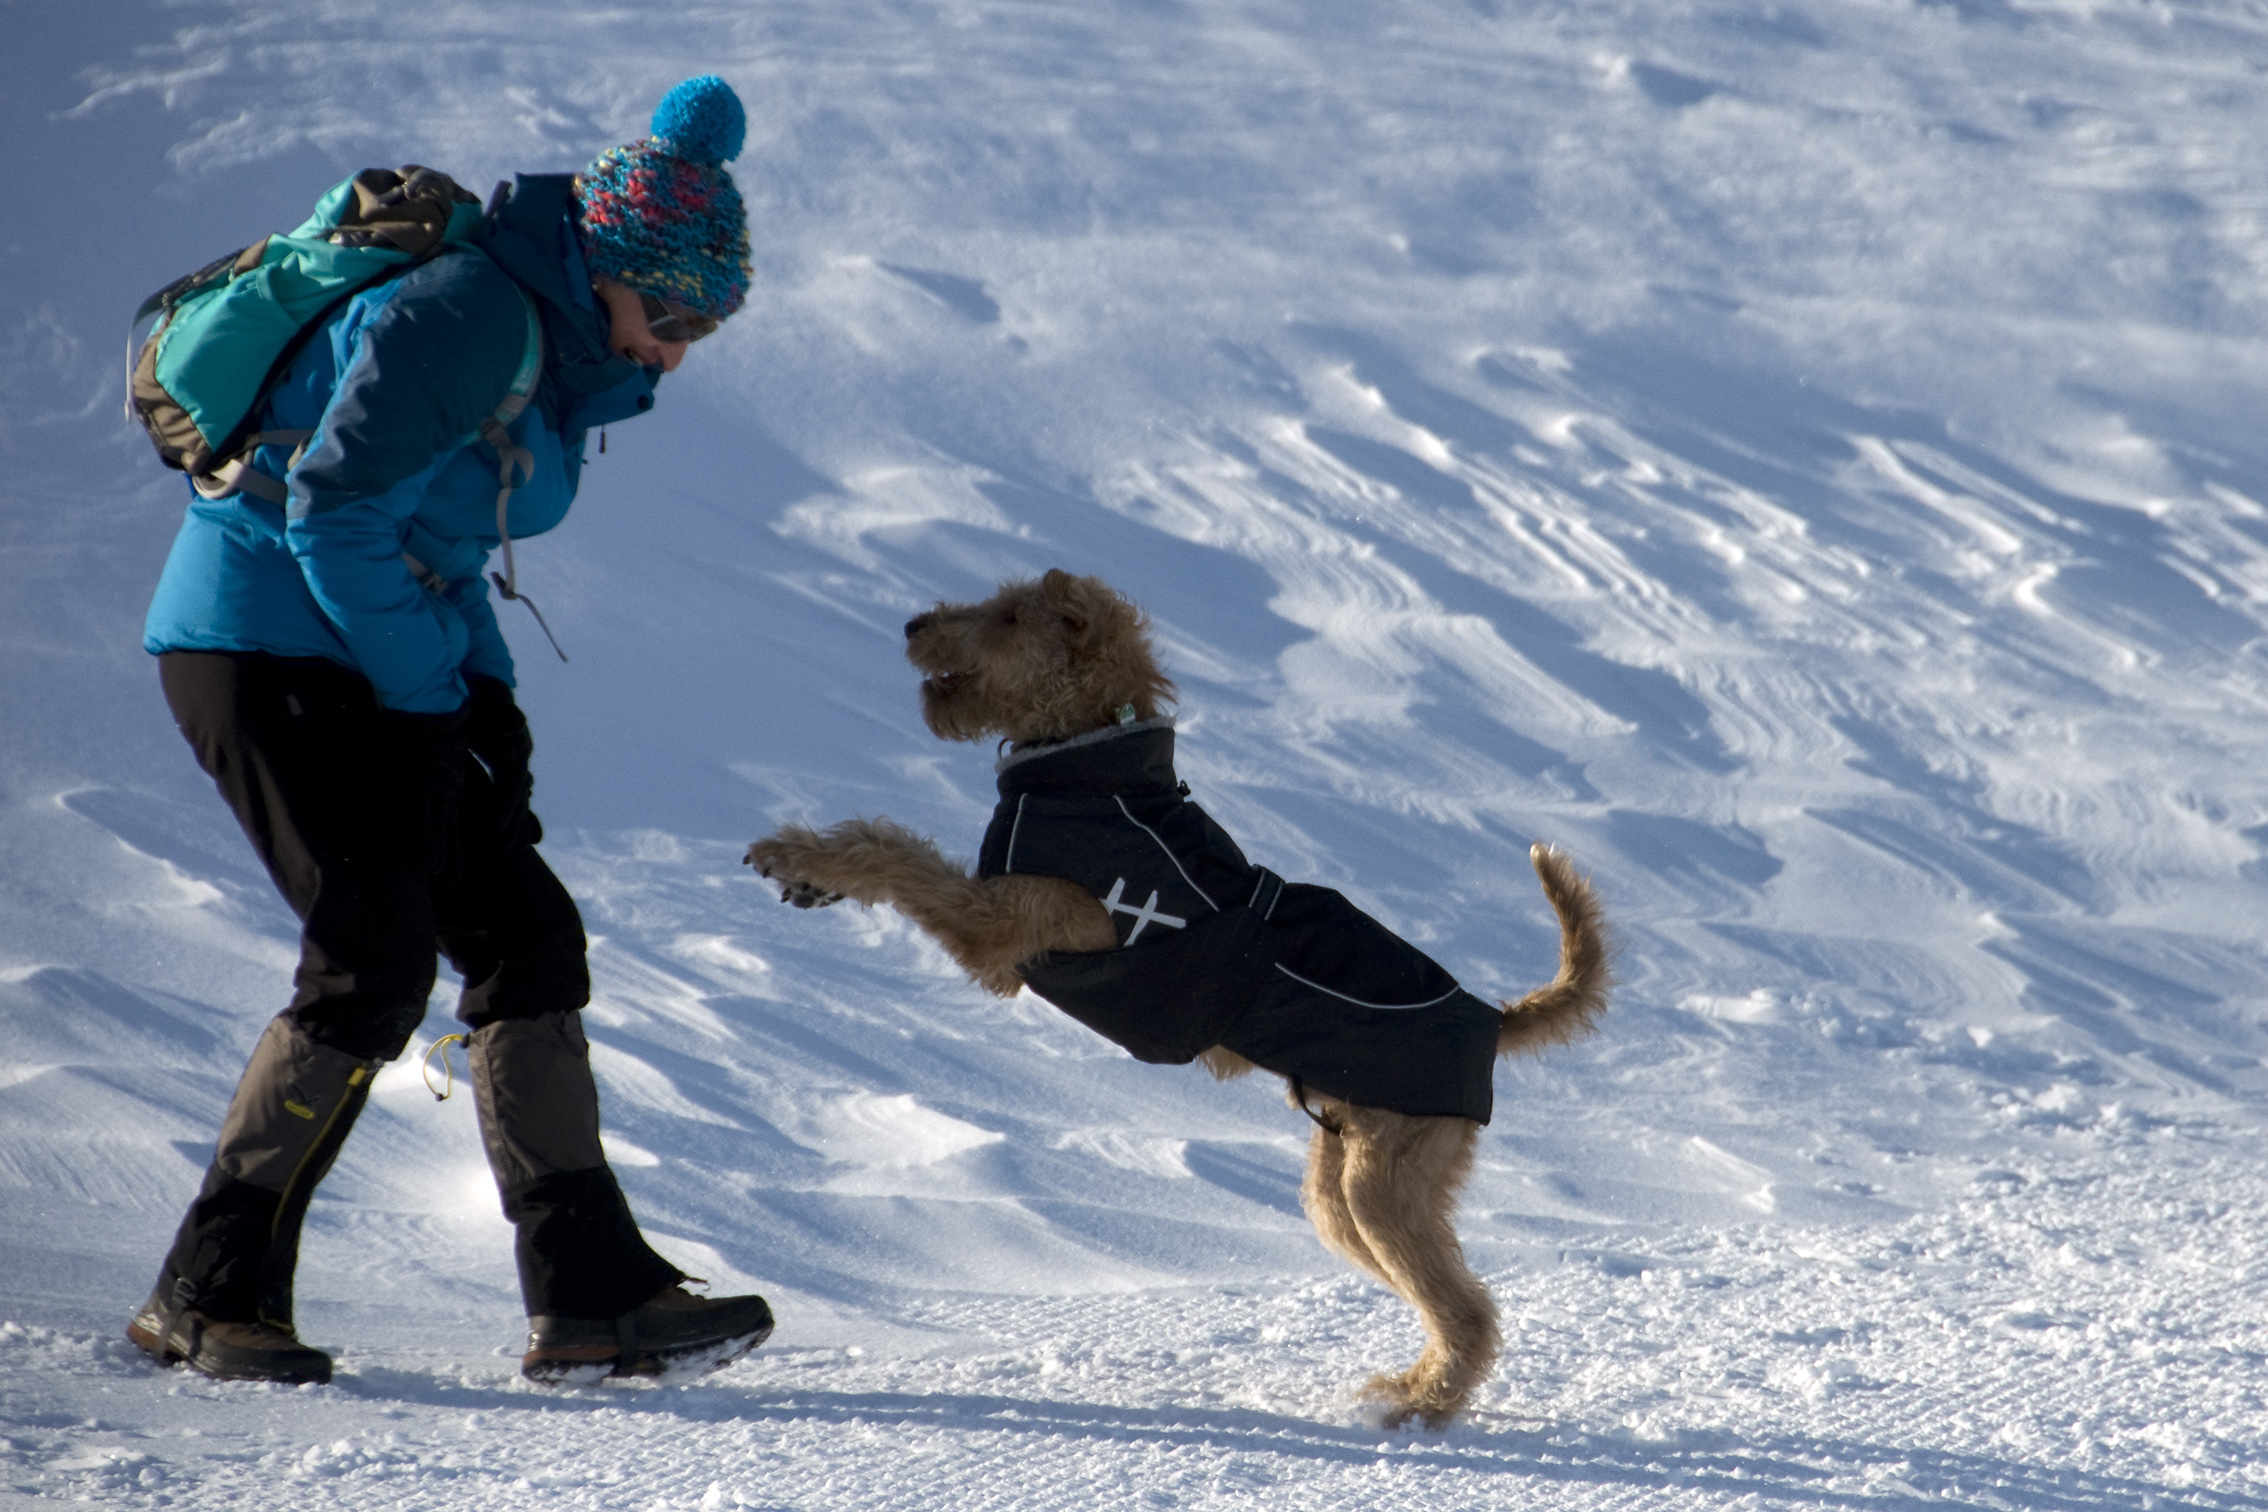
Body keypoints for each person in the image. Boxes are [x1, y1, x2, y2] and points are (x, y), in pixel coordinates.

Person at [129, 76, 775, 1386]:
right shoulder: (472, 313)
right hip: (253, 646)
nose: (682, 348)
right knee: (372, 960)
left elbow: (443, 545)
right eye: (681, 311)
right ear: (616, 271)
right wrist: (436, 706)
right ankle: (205, 1287)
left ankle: (592, 1297)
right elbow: (331, 512)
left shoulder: (540, 340)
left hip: (366, 650)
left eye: (712, 321)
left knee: (525, 934)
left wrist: (487, 708)